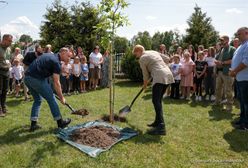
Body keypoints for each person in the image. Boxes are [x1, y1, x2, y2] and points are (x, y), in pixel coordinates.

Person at [24, 47, 71, 131]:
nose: (69, 58)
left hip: (27, 78)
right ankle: (60, 122)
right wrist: (61, 98)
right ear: (63, 53)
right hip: (36, 79)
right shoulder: (56, 62)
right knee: (51, 99)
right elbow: (57, 83)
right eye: (68, 56)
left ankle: (33, 124)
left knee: (37, 100)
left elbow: (43, 67)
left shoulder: (50, 55)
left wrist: (61, 70)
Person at [132, 45, 174, 135]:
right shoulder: (153, 52)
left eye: (136, 54)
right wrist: (157, 66)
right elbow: (168, 59)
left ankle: (161, 127)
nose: (136, 56)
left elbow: (145, 74)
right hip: (168, 74)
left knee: (156, 101)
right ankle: (157, 122)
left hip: (160, 77)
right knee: (158, 101)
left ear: (139, 51)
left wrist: (145, 84)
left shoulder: (142, 58)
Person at [229, 27, 248, 130]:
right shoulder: (241, 46)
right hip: (239, 78)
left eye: (239, 34)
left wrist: (234, 71)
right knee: (241, 101)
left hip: (245, 79)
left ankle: (246, 124)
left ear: (246, 33)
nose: (237, 36)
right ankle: (242, 120)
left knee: (246, 102)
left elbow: (246, 62)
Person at [214, 35, 236, 112]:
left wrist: (222, 63)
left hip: (227, 73)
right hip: (220, 72)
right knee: (218, 88)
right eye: (220, 40)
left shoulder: (232, 49)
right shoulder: (222, 49)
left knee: (228, 90)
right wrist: (216, 62)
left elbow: (233, 60)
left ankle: (229, 106)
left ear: (227, 40)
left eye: (222, 40)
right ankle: (217, 102)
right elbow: (217, 58)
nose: (221, 42)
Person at [0, 34, 13, 117]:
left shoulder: (9, 49)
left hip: (7, 72)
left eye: (11, 41)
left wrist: (9, 65)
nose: (11, 43)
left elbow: (9, 59)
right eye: (9, 41)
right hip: (0, 72)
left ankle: (3, 107)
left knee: (5, 90)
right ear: (4, 40)